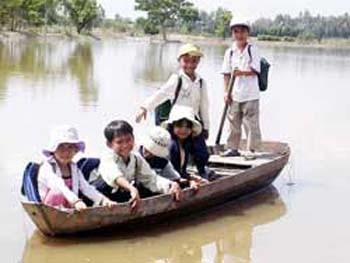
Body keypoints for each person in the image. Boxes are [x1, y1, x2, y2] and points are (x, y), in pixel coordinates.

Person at [135, 43, 210, 177]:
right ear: (179, 61)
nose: (190, 64)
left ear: (198, 62)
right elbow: (161, 94)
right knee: (174, 149)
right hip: (177, 121)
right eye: (186, 61)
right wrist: (145, 107)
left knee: (201, 152)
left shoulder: (201, 82)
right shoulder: (177, 79)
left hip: (192, 122)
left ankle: (201, 171)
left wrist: (206, 127)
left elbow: (204, 106)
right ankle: (176, 175)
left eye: (194, 61)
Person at [94, 120, 181, 210]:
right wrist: (131, 188)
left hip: (121, 195)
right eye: (119, 142)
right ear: (109, 144)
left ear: (133, 138)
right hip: (101, 197)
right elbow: (114, 174)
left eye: (128, 140)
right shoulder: (107, 156)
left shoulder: (136, 157)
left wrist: (170, 185)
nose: (125, 145)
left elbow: (150, 178)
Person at [38, 125, 116, 211]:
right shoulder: (48, 167)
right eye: (61, 147)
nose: (66, 152)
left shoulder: (74, 168)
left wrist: (103, 200)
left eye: (70, 147)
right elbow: (59, 185)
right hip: (48, 209)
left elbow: (86, 187)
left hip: (68, 207)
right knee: (58, 192)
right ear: (53, 149)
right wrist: (76, 201)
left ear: (75, 150)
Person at [221, 17, 262, 160]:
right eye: (236, 31)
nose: (239, 35)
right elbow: (226, 74)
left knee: (251, 124)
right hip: (235, 93)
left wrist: (241, 73)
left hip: (250, 93)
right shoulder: (230, 52)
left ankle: (252, 150)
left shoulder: (253, 50)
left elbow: (257, 70)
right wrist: (226, 92)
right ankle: (232, 148)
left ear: (247, 33)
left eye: (242, 31)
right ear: (233, 33)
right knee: (233, 122)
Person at [139, 126, 204, 190]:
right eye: (147, 149)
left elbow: (176, 179)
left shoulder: (162, 162)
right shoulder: (135, 157)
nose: (149, 153)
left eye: (153, 152)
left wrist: (189, 182)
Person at [162, 105, 211, 185]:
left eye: (187, 126)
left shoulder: (185, 144)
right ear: (172, 126)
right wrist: (189, 182)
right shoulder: (171, 145)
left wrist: (192, 177)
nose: (183, 130)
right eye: (179, 126)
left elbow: (181, 171)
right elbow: (171, 174)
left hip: (177, 179)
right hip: (168, 182)